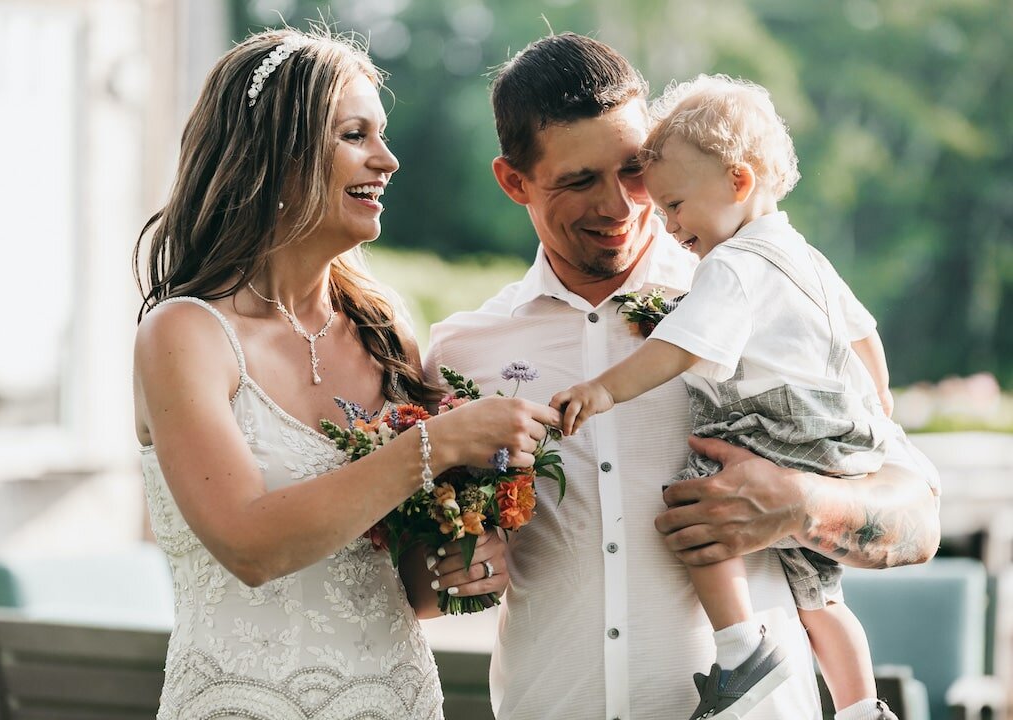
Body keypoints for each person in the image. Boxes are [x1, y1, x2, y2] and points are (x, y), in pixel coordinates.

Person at [424, 33, 941, 720]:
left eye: (635, 172)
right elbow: (424, 579)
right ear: (514, 181)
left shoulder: (763, 296)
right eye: (580, 181)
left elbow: (919, 521)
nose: (622, 206)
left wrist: (800, 504)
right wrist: (456, 560)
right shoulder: (462, 353)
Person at [132, 27, 559, 719]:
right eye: (354, 135)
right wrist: (439, 444)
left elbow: (411, 589)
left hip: (393, 699)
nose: (386, 160)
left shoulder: (384, 325)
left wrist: (464, 561)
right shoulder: (184, 335)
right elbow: (249, 544)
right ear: (273, 154)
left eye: (380, 135)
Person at [551, 73, 900, 720]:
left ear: (738, 182)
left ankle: (742, 650)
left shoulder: (732, 266)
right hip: (834, 433)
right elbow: (864, 338)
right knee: (820, 596)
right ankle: (861, 708)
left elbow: (678, 347)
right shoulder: (805, 256)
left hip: (770, 424)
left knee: (697, 511)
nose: (667, 223)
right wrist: (876, 410)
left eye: (676, 205)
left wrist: (601, 389)